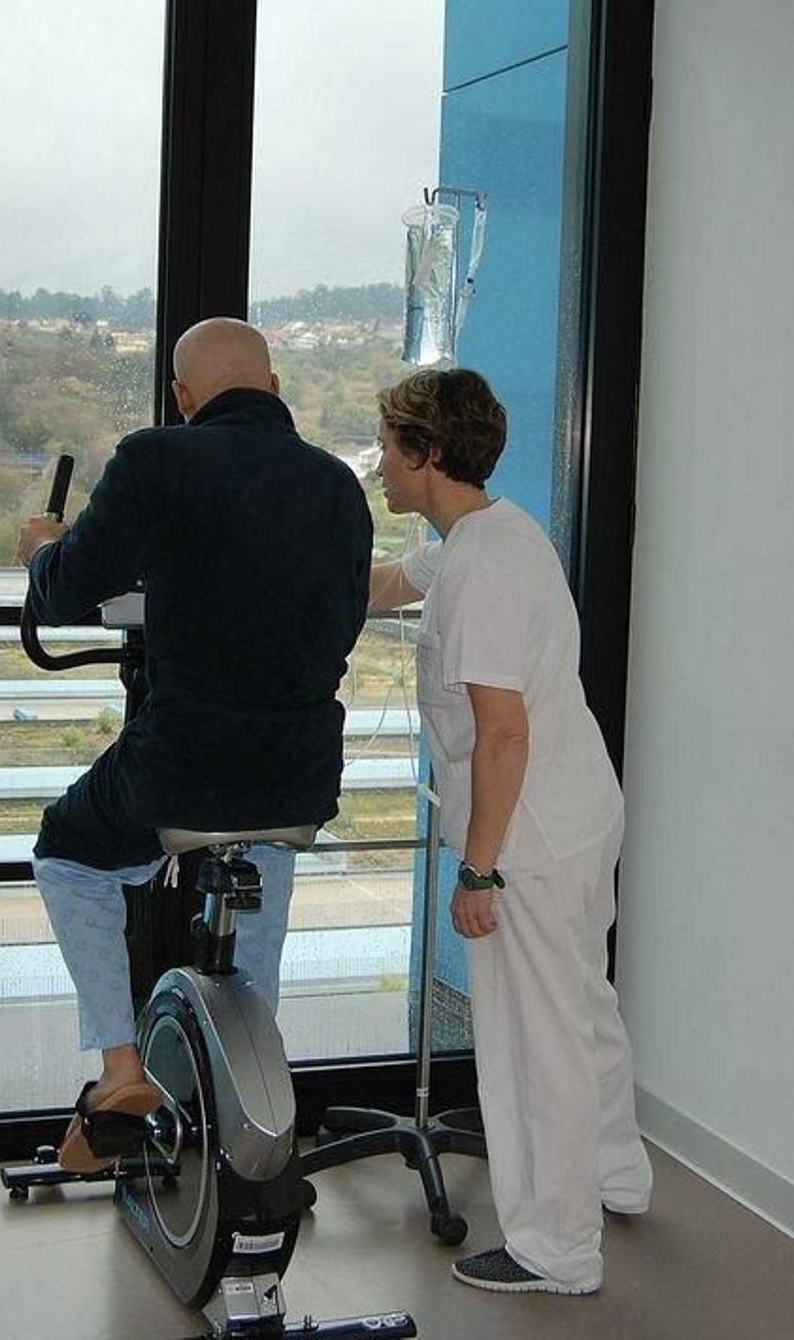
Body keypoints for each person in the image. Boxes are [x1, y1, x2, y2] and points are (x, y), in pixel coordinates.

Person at [16, 316, 372, 1173]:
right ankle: (255, 1102)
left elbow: (65, 591)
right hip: (299, 771)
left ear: (182, 397)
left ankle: (119, 1070)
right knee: (262, 899)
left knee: (68, 851)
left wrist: (41, 552)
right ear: (275, 387)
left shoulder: (156, 459)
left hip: (183, 766)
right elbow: (341, 617)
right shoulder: (337, 484)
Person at [368, 367, 651, 1296]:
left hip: (527, 836)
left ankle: (556, 1248)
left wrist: (479, 873)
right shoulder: (486, 533)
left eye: (388, 446)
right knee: (581, 1008)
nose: (379, 463)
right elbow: (384, 583)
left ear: (427, 454)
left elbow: (503, 733)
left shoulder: (482, 568)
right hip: (576, 811)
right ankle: (617, 1173)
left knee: (537, 1043)